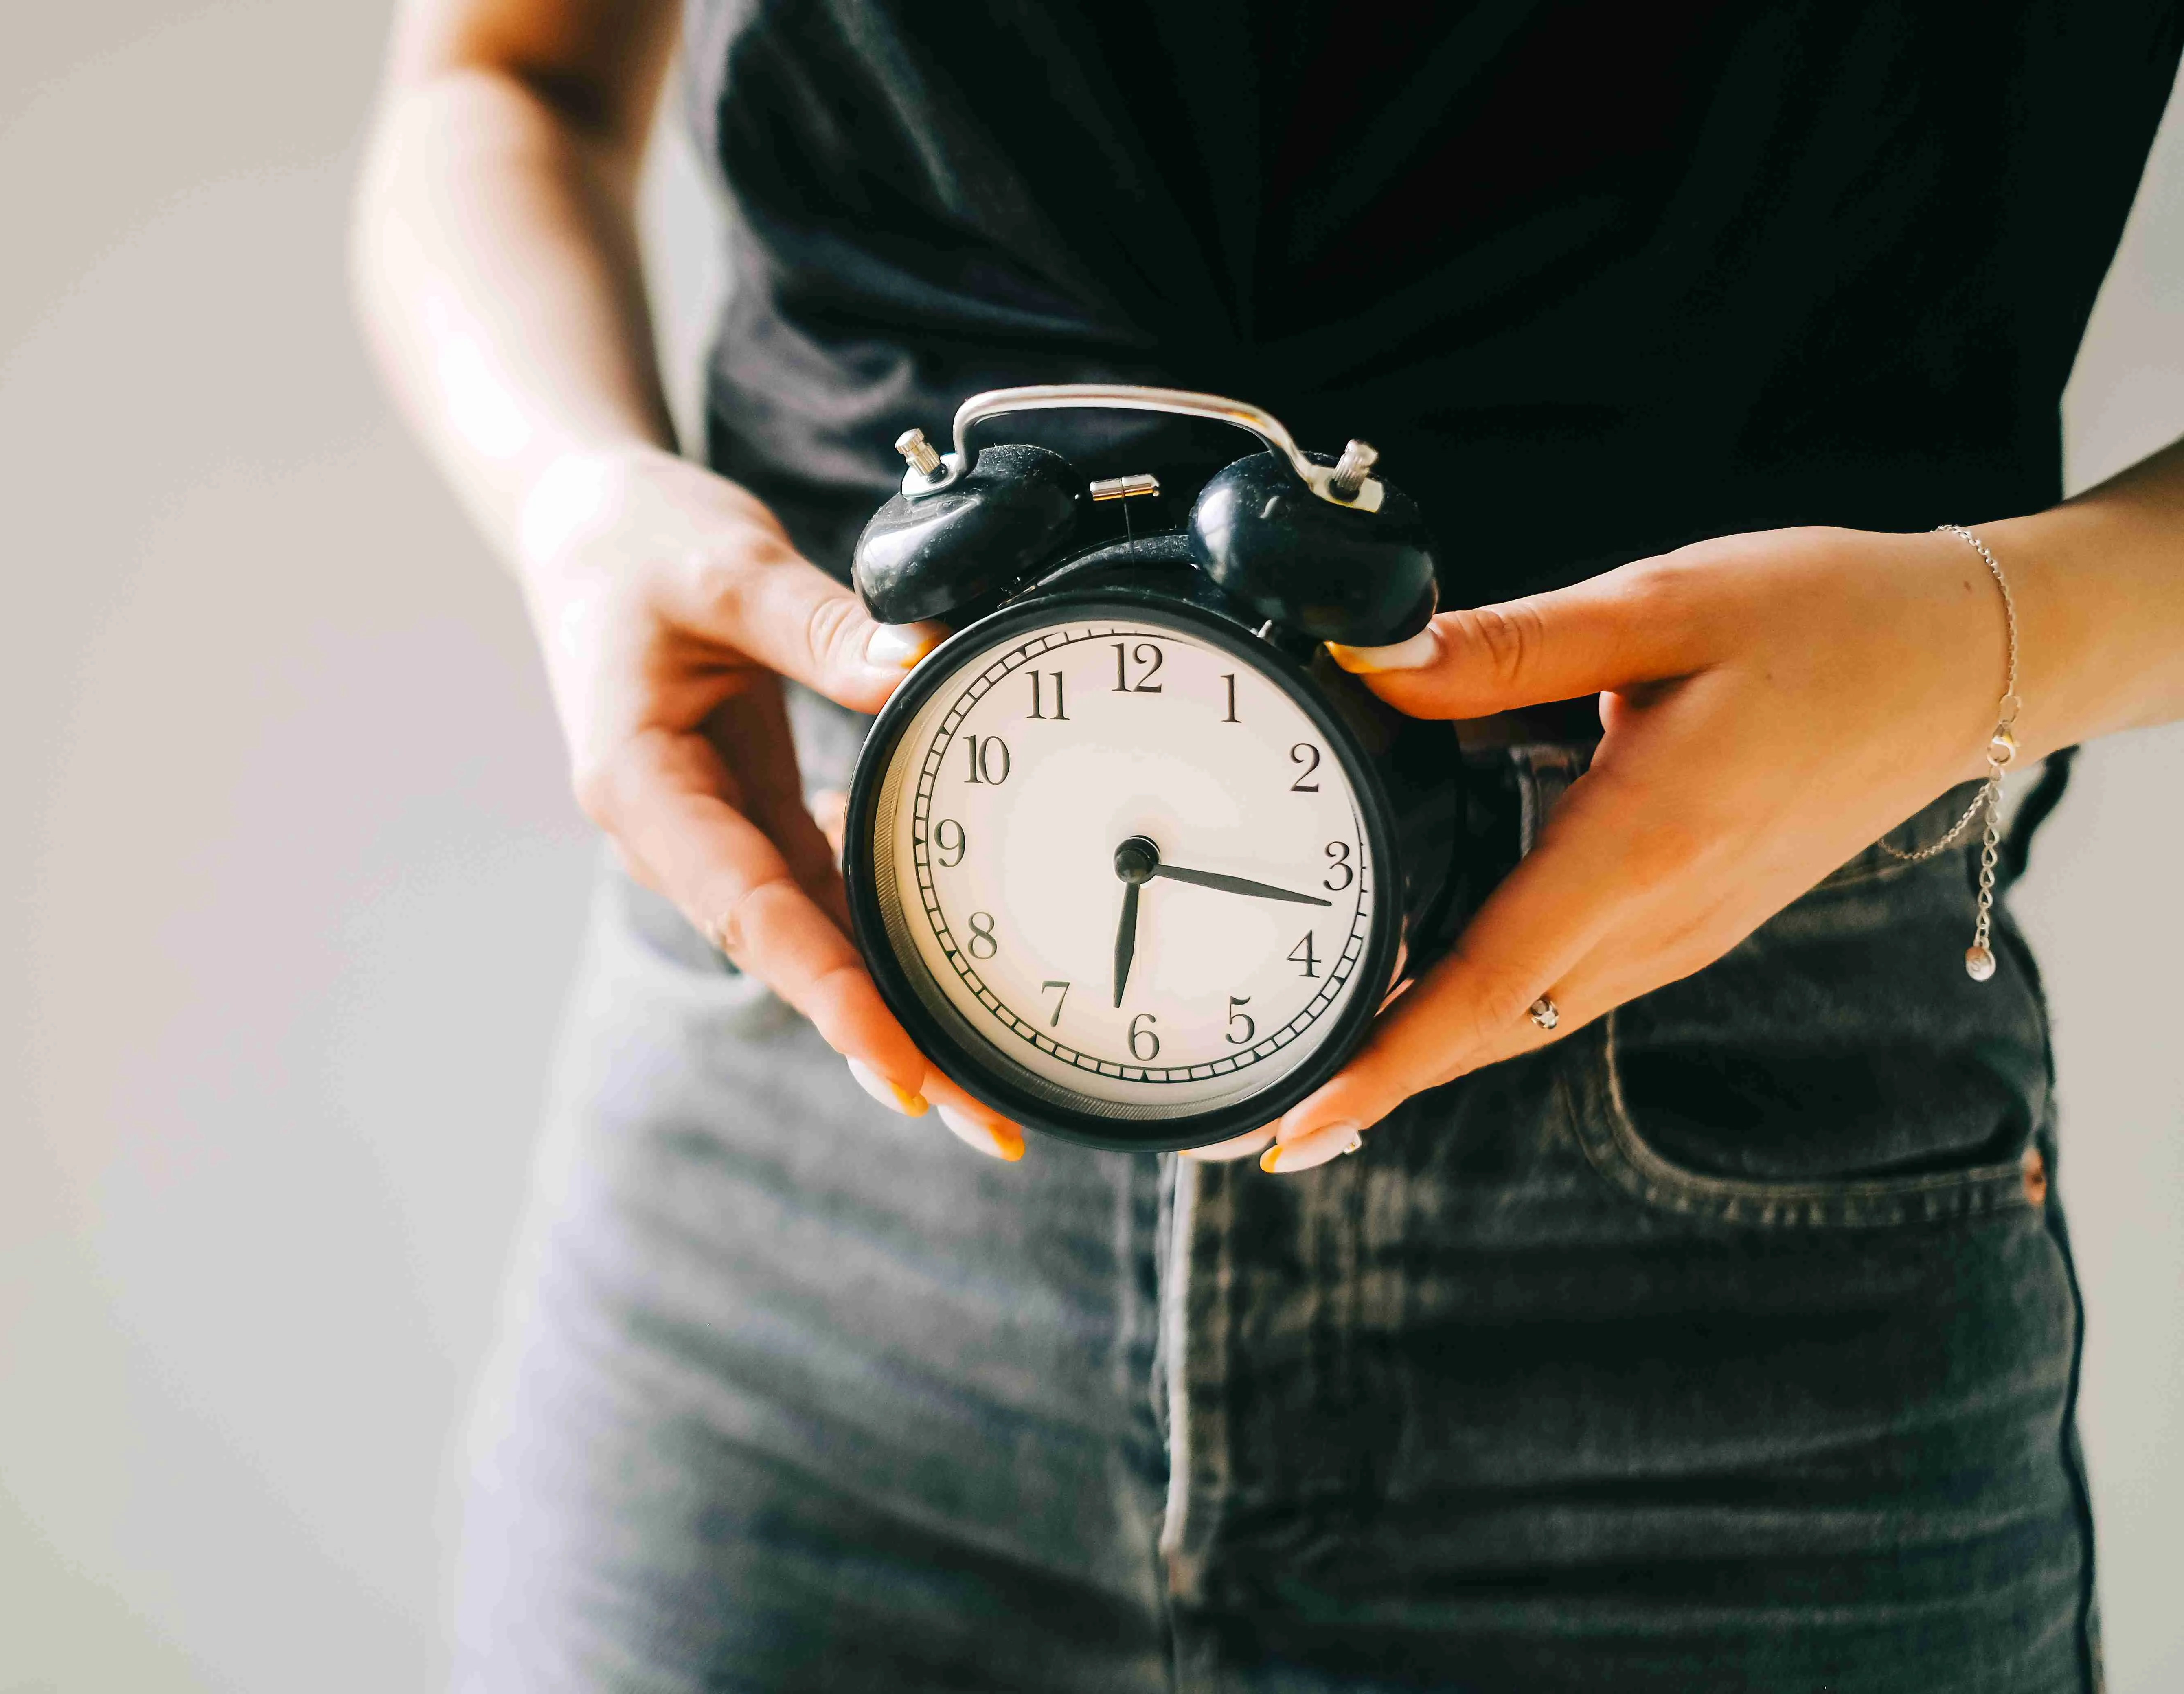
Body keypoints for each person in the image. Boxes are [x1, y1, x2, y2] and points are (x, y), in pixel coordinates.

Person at [354, 2, 2184, 1687]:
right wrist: (572, 496)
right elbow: (500, 78)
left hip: (1739, 1218)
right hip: (808, 1128)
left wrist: (1998, 631)